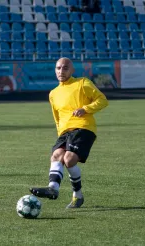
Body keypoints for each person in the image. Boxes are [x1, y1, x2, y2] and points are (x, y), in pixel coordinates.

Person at [30, 58, 108, 208]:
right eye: (58, 68)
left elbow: (102, 100)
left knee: (69, 158)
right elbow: (57, 118)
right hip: (65, 132)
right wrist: (60, 134)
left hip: (83, 127)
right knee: (57, 155)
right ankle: (54, 189)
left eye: (65, 68)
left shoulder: (82, 83)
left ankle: (76, 195)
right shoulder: (53, 94)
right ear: (55, 70)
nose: (61, 71)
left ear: (72, 70)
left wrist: (85, 109)